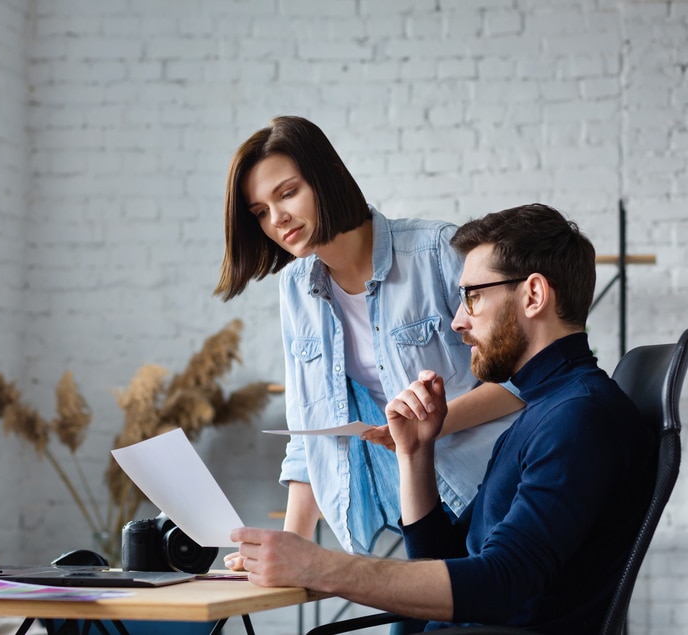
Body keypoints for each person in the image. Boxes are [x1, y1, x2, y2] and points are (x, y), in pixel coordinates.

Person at [227, 204, 656, 633]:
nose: (458, 321)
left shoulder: (577, 418)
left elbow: (501, 585)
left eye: (473, 296)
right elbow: (449, 562)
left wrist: (322, 568)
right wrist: (415, 452)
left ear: (533, 295)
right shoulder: (548, 407)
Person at [215, 116, 524, 555]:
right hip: (403, 520)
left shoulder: (435, 251)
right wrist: (288, 547)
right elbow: (310, 437)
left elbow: (528, 378)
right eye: (260, 212)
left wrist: (425, 429)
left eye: (287, 193)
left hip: (490, 498)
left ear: (326, 178)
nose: (277, 218)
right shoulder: (296, 290)